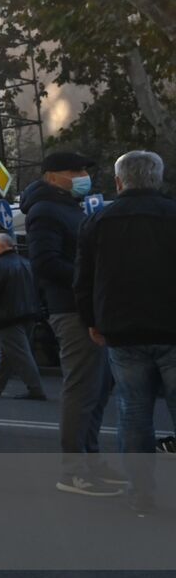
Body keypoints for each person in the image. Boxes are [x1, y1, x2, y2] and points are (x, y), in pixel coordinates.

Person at [75, 150, 176, 514]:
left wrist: (92, 320)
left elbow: (83, 280)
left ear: (119, 182)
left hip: (121, 330)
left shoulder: (98, 221)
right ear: (158, 179)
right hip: (171, 327)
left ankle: (141, 493)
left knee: (133, 412)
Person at [20, 151, 122, 496]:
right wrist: (91, 280)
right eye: (75, 170)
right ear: (52, 175)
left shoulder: (66, 206)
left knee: (99, 385)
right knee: (83, 388)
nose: (82, 175)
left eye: (83, 169)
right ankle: (74, 469)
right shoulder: (46, 210)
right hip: (72, 309)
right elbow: (46, 263)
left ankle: (90, 460)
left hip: (86, 306)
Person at [0, 233, 46, 400]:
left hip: (6, 317)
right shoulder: (26, 263)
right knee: (8, 352)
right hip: (28, 313)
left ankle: (35, 389)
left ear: (2, 246)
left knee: (20, 354)